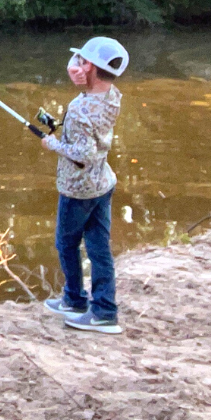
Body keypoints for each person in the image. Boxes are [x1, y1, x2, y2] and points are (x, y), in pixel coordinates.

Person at [41, 37, 129, 335]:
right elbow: (89, 136)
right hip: (103, 182)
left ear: (90, 67)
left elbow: (84, 153)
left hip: (78, 189)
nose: (75, 65)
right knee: (98, 248)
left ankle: (77, 301)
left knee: (65, 244)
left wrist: (53, 143)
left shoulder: (81, 110)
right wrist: (66, 131)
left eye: (80, 61)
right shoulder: (113, 95)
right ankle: (103, 308)